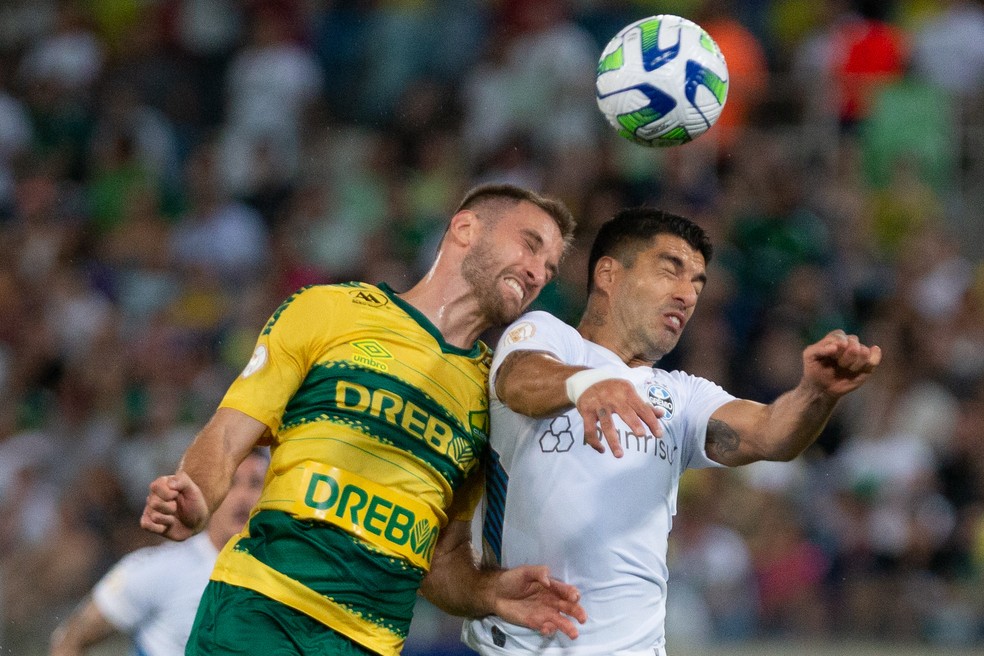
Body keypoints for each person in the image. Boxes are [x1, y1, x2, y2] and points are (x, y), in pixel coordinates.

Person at [139, 183, 585, 656]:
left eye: (550, 268)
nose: (538, 272)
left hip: (370, 643)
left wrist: (488, 592)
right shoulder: (329, 310)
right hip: (258, 613)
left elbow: (441, 561)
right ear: (466, 228)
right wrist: (197, 494)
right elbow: (228, 435)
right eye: (529, 245)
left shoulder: (490, 396)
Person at [463, 207, 882, 655]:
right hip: (522, 647)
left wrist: (817, 393)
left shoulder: (680, 396)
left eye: (698, 283)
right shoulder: (549, 336)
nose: (687, 295)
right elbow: (517, 380)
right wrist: (586, 384)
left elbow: (770, 433)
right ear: (608, 273)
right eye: (671, 271)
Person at [49, 449, 270, 656]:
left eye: (255, 484)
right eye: (231, 483)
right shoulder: (164, 568)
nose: (243, 496)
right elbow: (72, 637)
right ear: (210, 493)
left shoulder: (284, 578)